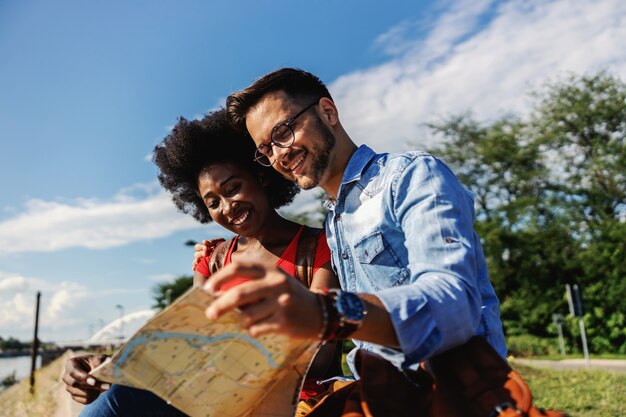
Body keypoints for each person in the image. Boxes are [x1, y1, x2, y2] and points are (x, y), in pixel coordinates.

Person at [199, 68, 507, 380]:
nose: (279, 154)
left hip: (461, 394)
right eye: (266, 149)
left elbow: (453, 305)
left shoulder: (410, 177)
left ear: (328, 112)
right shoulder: (334, 222)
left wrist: (326, 312)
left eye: (283, 132)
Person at [63, 109, 342, 416]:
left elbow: (323, 350)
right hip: (216, 401)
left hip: (292, 400)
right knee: (119, 394)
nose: (227, 206)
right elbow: (189, 346)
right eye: (212, 203)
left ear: (261, 177)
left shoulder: (321, 246)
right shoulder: (212, 260)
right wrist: (110, 365)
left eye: (233, 188)